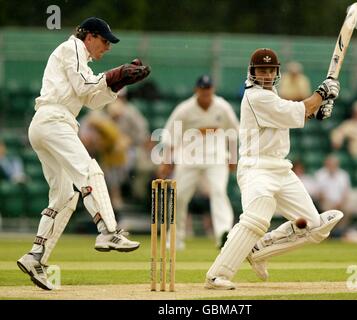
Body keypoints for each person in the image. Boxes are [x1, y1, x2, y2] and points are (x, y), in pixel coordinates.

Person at [17, 17, 151, 291]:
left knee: (65, 196)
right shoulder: (73, 48)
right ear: (89, 36)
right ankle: (109, 232)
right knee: (90, 171)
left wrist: (118, 83)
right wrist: (115, 74)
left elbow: (92, 100)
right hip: (54, 121)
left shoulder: (79, 58)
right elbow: (84, 87)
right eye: (105, 41)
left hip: (48, 124)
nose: (107, 48)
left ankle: (35, 256)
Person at [204, 48, 343, 290]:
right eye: (262, 70)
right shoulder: (255, 96)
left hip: (281, 168)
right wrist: (321, 94)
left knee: (316, 228)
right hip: (256, 167)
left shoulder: (272, 94)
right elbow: (295, 111)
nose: (267, 75)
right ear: (252, 72)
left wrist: (316, 111)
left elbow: (289, 115)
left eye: (271, 70)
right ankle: (216, 275)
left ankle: (259, 249)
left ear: (276, 72)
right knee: (256, 220)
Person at [157, 75, 239, 250]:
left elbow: (233, 133)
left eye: (208, 90)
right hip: (189, 158)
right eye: (203, 90)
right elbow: (170, 136)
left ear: (212, 90)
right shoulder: (184, 109)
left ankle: (224, 236)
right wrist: (166, 161)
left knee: (218, 192)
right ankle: (175, 239)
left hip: (216, 158)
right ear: (197, 90)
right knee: (179, 197)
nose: (206, 94)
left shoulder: (222, 107)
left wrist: (233, 158)